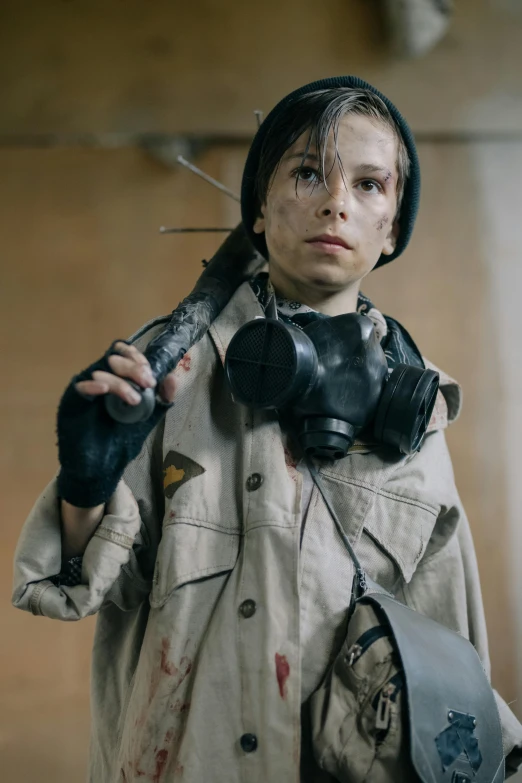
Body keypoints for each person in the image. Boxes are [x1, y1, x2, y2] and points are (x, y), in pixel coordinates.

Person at [12, 76, 522, 782]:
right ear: (258, 207)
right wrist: (87, 480)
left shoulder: (418, 413)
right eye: (308, 171)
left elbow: (454, 663)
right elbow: (85, 583)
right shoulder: (166, 375)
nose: (336, 200)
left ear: (394, 225)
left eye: (370, 184)